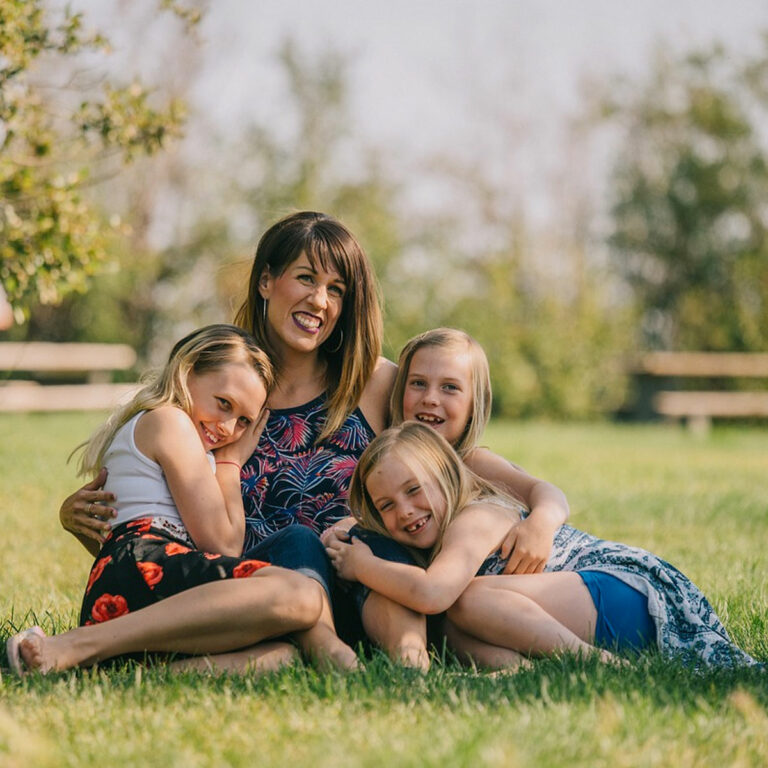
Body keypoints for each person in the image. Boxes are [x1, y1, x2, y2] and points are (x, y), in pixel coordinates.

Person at [58, 211, 396, 650]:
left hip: (356, 592)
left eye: (336, 289)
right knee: (282, 615)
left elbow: (444, 470)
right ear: (265, 281)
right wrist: (77, 518)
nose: (320, 301)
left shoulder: (372, 383)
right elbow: (157, 530)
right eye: (306, 278)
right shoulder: (224, 384)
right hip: (243, 604)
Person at [8, 324, 353, 675]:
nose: (227, 427)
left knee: (281, 656)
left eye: (243, 421)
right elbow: (222, 545)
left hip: (143, 586)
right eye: (223, 403)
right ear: (187, 373)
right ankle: (79, 644)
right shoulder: (169, 421)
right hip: (143, 567)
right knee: (301, 595)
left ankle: (132, 673)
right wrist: (230, 464)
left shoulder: (176, 434)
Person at [326, 422, 760, 670]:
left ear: (446, 475)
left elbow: (433, 592)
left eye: (414, 489)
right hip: (587, 609)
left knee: (466, 600)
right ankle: (523, 672)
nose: (405, 511)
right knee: (452, 630)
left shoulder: (476, 516)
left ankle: (596, 663)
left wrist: (361, 565)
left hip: (630, 595)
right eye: (387, 505)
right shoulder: (435, 533)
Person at [339, 328, 570, 665]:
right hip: (482, 604)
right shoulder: (395, 465)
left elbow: (546, 491)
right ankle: (516, 667)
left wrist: (541, 524)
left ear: (474, 403)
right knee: (449, 628)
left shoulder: (473, 462)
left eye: (449, 387)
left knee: (462, 606)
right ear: (399, 393)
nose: (431, 398)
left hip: (535, 588)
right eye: (418, 383)